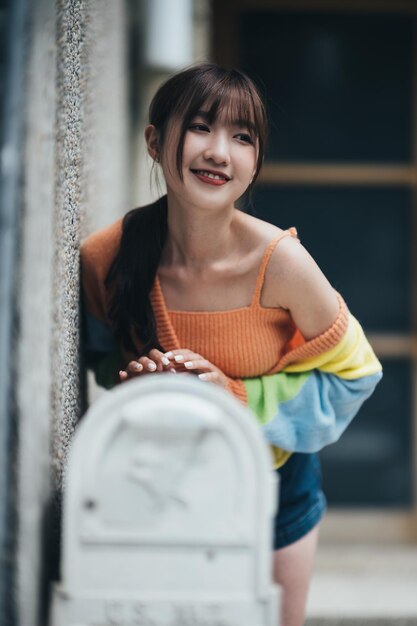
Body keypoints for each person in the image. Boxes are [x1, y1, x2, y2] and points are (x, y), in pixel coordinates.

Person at [80, 63, 382, 626]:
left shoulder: (281, 263)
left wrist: (233, 398)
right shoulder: (106, 258)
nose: (220, 151)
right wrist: (144, 390)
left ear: (255, 161)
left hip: (272, 485)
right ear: (153, 140)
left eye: (242, 137)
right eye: (200, 127)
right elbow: (99, 362)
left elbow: (356, 377)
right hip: (158, 485)